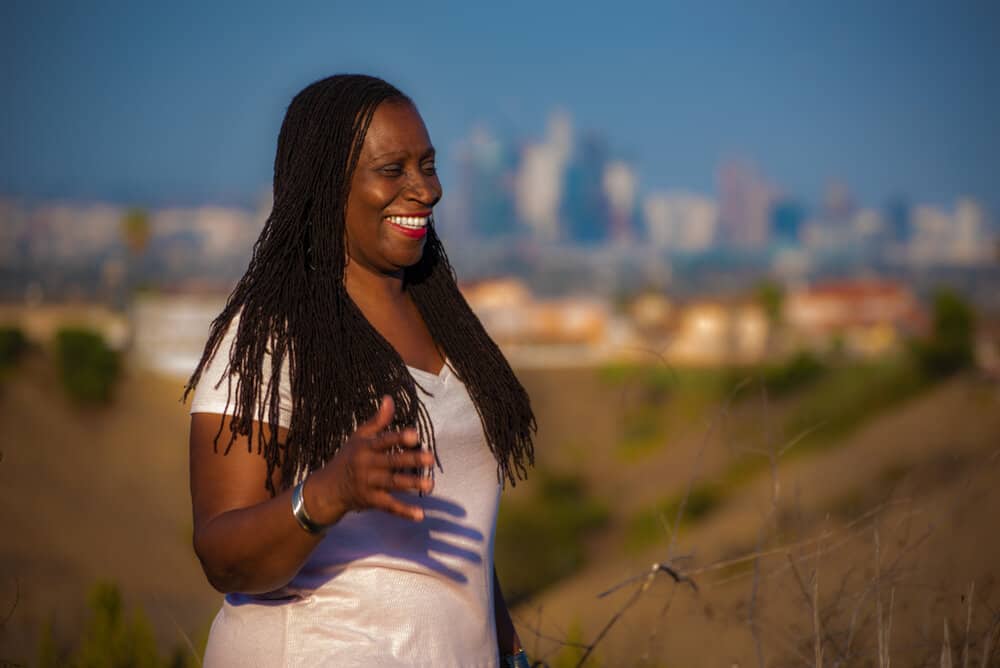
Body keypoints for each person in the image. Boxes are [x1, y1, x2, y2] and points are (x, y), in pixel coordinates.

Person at [184, 74, 536, 667]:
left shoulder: (446, 320)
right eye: (393, 170)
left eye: (427, 164)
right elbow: (222, 555)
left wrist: (513, 654)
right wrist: (329, 492)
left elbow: (461, 529)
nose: (425, 189)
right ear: (326, 187)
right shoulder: (270, 336)